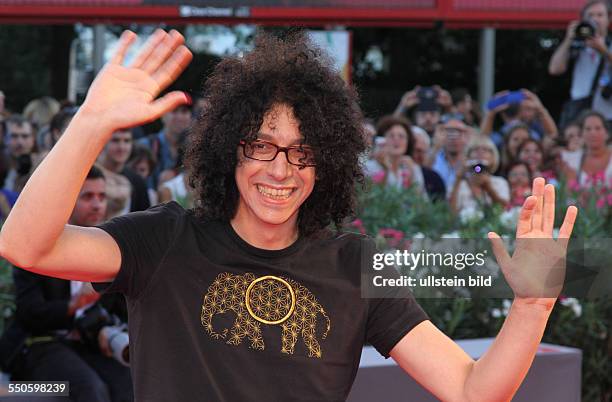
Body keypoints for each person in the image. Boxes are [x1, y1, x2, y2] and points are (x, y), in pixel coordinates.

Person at [0, 29, 578, 402]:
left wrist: (531, 304)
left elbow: (475, 391)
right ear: (231, 149)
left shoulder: (356, 266)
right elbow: (27, 246)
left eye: (303, 152)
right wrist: (92, 124)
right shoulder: (163, 240)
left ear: (325, 163)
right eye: (263, 146)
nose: (281, 169)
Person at [3, 166, 133, 402]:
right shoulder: (36, 245)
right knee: (91, 389)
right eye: (88, 196)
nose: (97, 205)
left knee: (128, 383)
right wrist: (74, 304)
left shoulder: (110, 246)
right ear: (69, 201)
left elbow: (118, 308)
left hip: (87, 343)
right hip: (39, 343)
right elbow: (28, 313)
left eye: (102, 197)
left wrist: (106, 331)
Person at [549, 0, 612, 125]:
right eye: (590, 15)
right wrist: (568, 39)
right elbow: (554, 69)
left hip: (607, 113)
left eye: (600, 15)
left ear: (608, 19)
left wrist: (603, 50)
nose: (595, 20)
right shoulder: (577, 46)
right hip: (580, 112)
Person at [448, 135, 510, 215]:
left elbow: (504, 209)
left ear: (493, 157)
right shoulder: (458, 183)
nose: (480, 152)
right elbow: (450, 212)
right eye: (475, 149)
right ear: (468, 156)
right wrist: (458, 178)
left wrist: (488, 188)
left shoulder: (500, 182)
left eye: (485, 150)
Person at [99, 128, 151, 212]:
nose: (121, 147)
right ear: (103, 143)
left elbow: (144, 219)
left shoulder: (137, 181)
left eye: (127, 141)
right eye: (115, 140)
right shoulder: (88, 175)